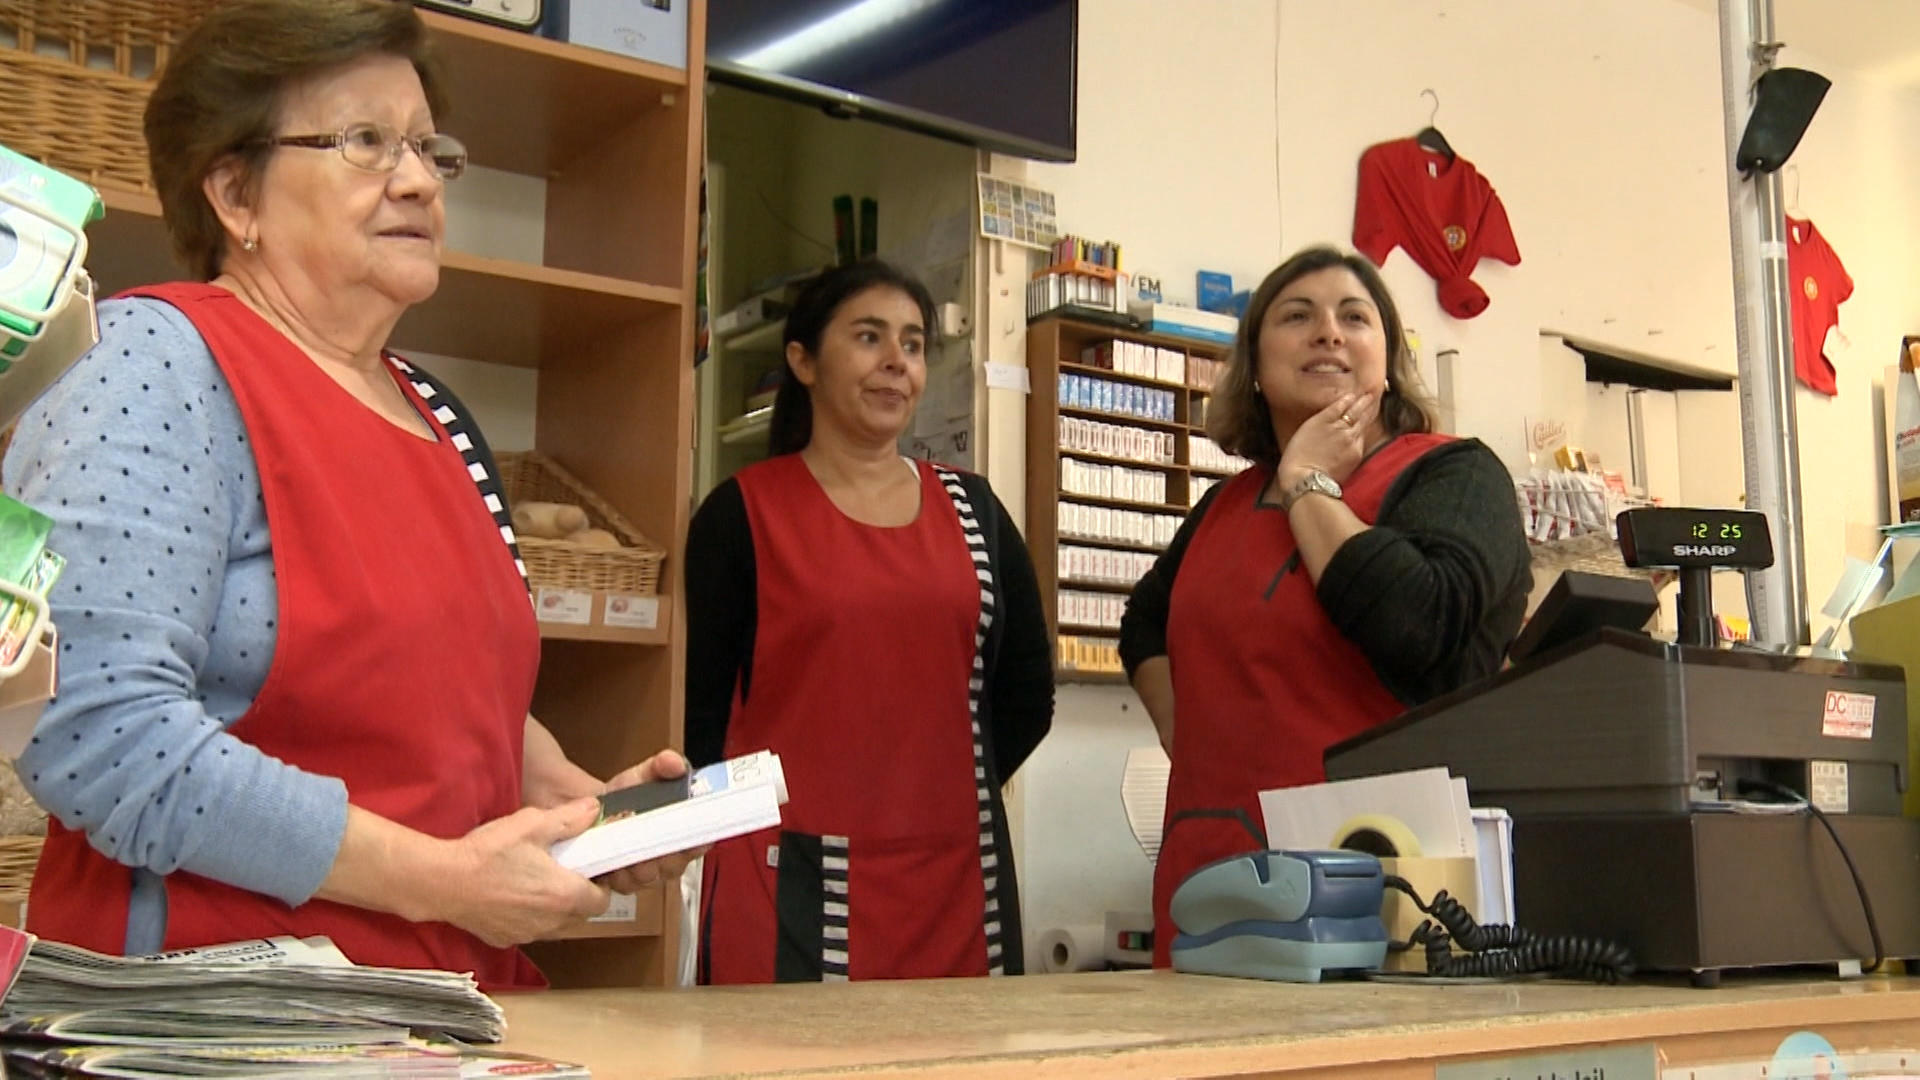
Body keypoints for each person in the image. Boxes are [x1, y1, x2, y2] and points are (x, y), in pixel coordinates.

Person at [4, 0, 689, 988]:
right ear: (236, 194)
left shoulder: (436, 412)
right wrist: (444, 881)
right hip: (222, 1017)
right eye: (366, 142)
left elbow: (453, 705)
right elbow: (94, 732)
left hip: (446, 1012)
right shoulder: (150, 363)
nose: (416, 179)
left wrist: (590, 818)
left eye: (426, 147)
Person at [1119, 245, 1532, 967]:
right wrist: (1195, 748)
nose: (1329, 333)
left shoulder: (1454, 473)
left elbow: (1418, 622)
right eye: (1297, 316)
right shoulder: (1225, 505)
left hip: (1379, 895)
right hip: (1211, 880)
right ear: (1253, 362)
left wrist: (1309, 478)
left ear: (1388, 358)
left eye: (1354, 317)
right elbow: (1144, 627)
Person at [685, 260, 1053, 982]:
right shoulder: (741, 515)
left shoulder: (977, 512)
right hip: (782, 884)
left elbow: (1026, 697)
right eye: (868, 337)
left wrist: (928, 799)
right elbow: (702, 722)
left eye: (913, 345)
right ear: (803, 361)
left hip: (958, 884)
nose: (896, 363)